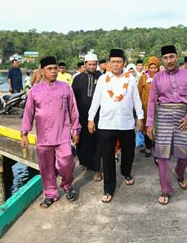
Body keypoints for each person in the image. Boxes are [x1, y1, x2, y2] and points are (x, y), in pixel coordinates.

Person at [20, 56, 81, 208]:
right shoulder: (35, 90)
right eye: (50, 69)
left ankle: (67, 185)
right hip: (44, 137)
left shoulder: (65, 87)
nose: (54, 71)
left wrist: (76, 129)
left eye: (55, 68)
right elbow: (28, 113)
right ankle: (50, 194)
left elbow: (73, 109)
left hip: (63, 134)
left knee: (67, 161)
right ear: (42, 71)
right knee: (46, 167)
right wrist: (24, 133)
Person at [88, 49, 144, 203]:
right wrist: (90, 118)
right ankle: (109, 188)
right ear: (108, 64)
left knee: (129, 153)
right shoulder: (102, 79)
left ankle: (126, 172)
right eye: (112, 61)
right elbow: (96, 99)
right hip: (106, 124)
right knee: (107, 157)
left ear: (124, 63)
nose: (115, 64)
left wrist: (140, 117)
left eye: (118, 61)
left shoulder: (130, 79)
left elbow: (136, 99)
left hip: (126, 124)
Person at [146, 45, 187, 205]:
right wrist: (149, 123)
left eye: (172, 57)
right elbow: (152, 101)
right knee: (162, 156)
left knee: (186, 154)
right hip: (163, 116)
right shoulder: (157, 78)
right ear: (162, 60)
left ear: (177, 57)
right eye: (166, 58)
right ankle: (165, 189)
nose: (169, 60)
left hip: (183, 117)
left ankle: (179, 173)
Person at [72, 53, 103, 181]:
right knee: (82, 141)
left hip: (97, 116)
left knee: (96, 142)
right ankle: (84, 162)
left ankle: (97, 169)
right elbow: (72, 98)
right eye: (89, 64)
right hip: (81, 115)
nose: (91, 66)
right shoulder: (78, 78)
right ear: (84, 65)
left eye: (94, 64)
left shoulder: (102, 77)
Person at [137, 56, 160, 157]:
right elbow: (138, 93)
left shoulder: (162, 77)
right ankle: (148, 147)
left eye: (155, 68)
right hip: (146, 108)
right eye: (151, 67)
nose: (153, 70)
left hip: (159, 108)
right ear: (148, 68)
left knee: (158, 128)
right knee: (147, 128)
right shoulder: (143, 77)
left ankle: (157, 147)